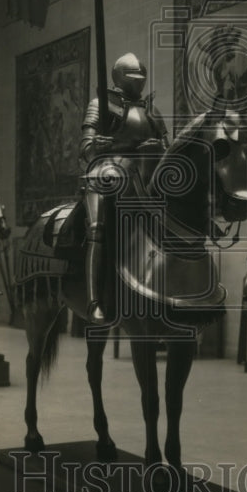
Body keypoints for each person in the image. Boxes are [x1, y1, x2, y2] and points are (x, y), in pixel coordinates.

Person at [80, 52, 168, 324]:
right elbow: (85, 147)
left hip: (147, 174)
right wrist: (100, 146)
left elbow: (169, 147)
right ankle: (95, 299)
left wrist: (159, 149)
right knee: (98, 228)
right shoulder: (101, 104)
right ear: (119, 78)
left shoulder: (151, 110)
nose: (138, 82)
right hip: (109, 171)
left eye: (141, 78)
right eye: (132, 77)